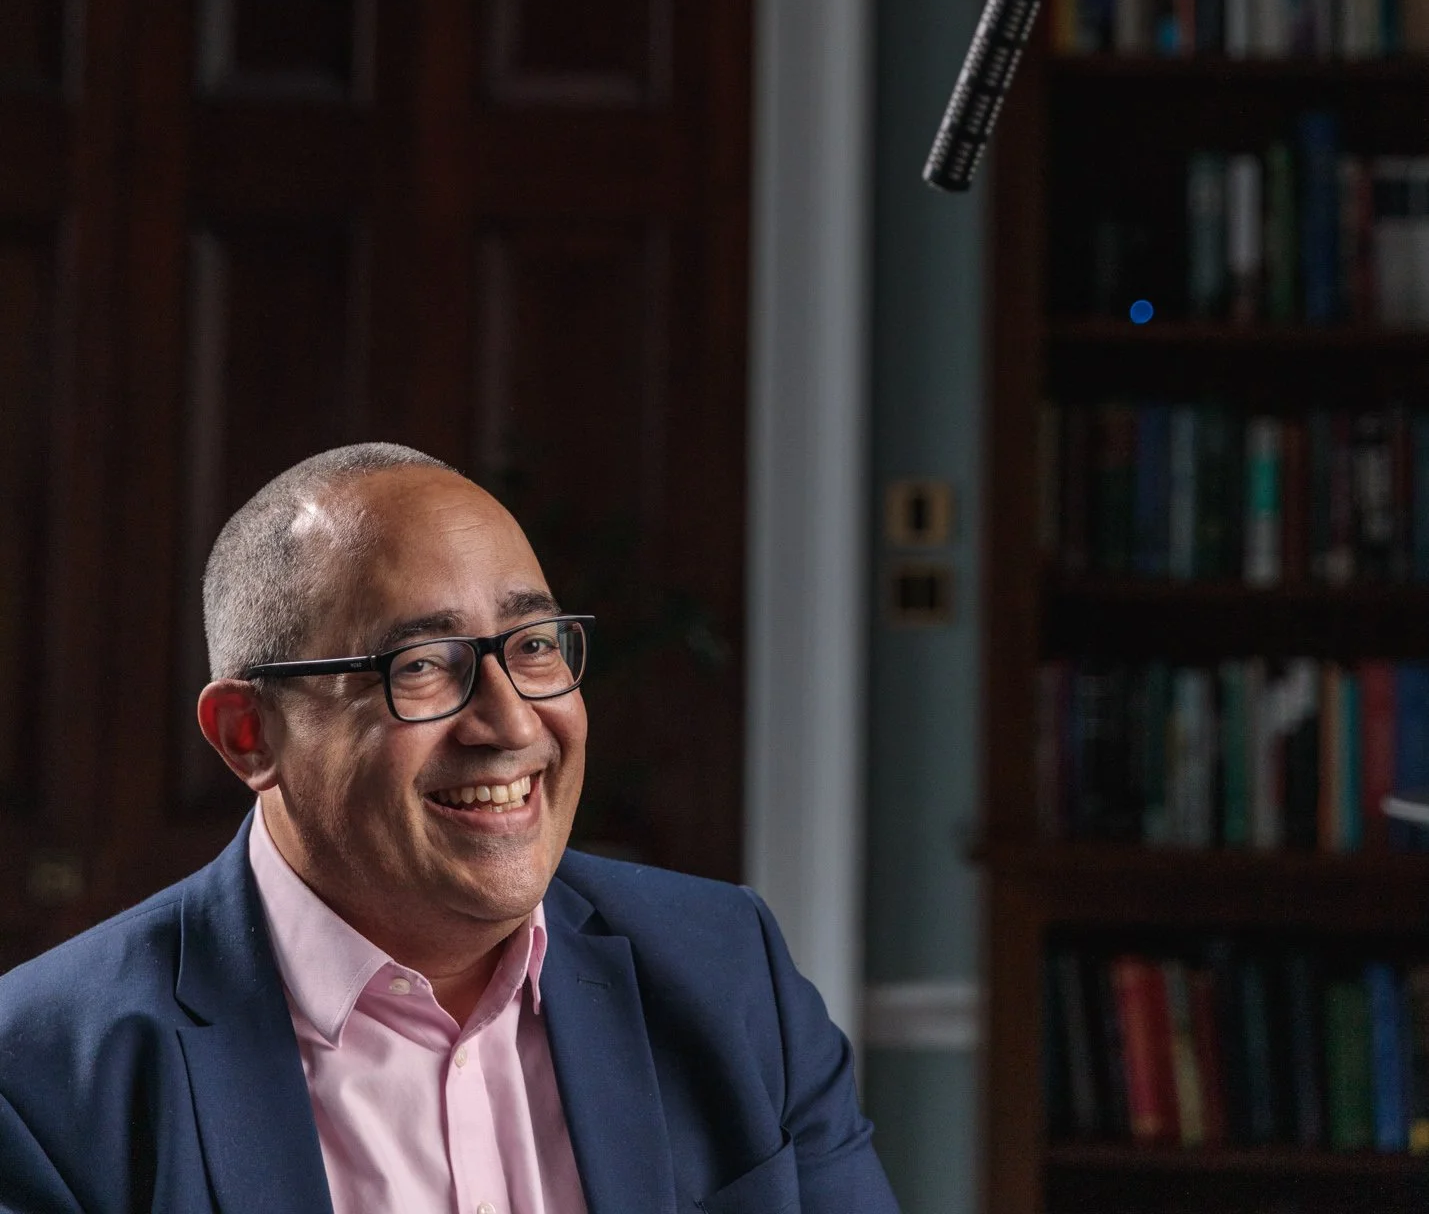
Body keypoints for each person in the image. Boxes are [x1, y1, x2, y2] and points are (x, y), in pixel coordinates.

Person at [0, 443, 898, 1214]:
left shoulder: (728, 968)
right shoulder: (44, 1075)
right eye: (423, 665)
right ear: (250, 735)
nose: (510, 725)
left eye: (535, 645)